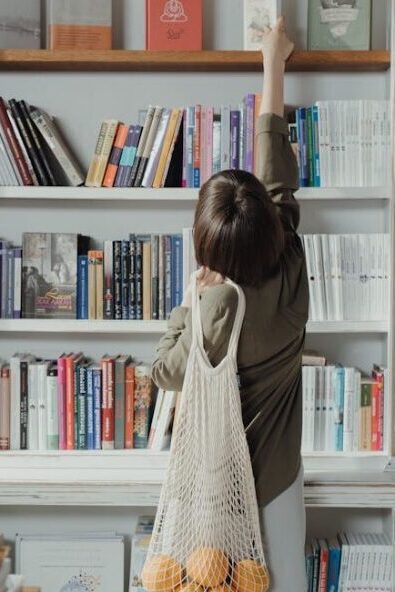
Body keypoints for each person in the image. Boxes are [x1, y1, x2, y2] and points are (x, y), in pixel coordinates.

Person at [151, 17, 309, 592]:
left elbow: (166, 371)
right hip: (280, 483)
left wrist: (190, 303)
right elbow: (276, 174)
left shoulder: (215, 307)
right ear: (271, 228)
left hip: (218, 494)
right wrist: (275, 59)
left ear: (207, 246)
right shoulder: (293, 267)